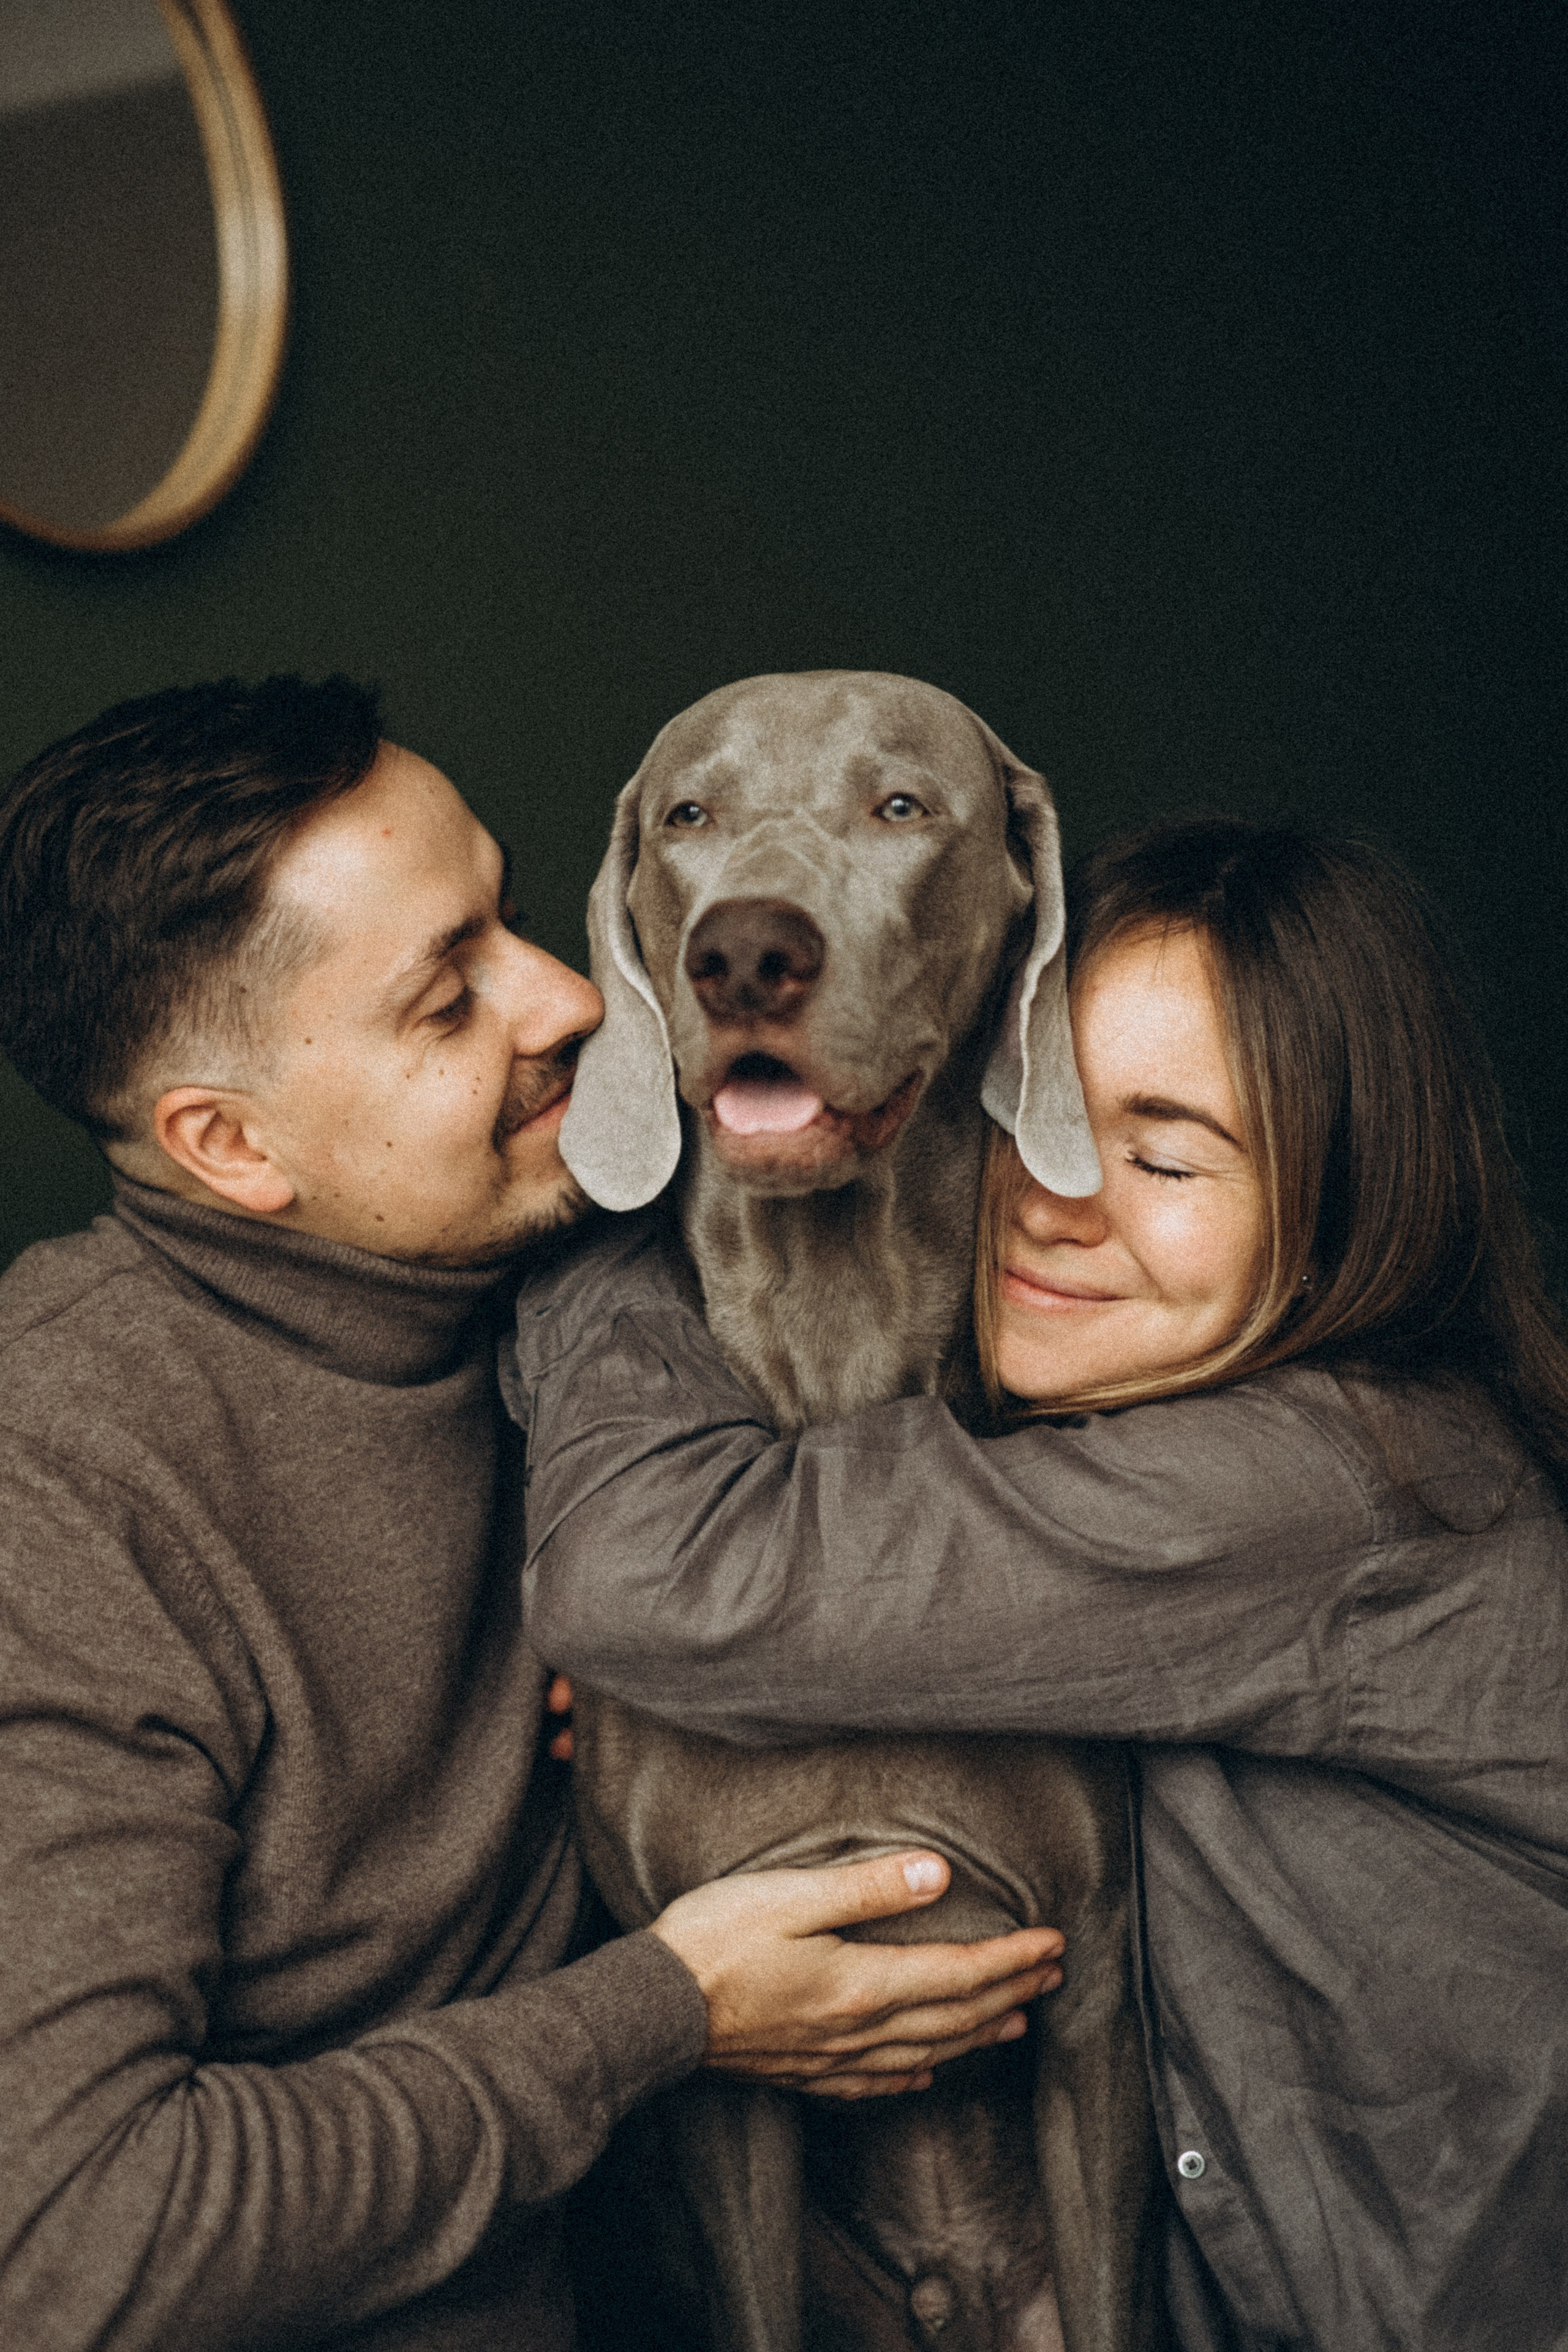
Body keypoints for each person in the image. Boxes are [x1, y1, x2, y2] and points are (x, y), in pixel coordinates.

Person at [0, 676, 1066, 2352]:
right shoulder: (58, 1480)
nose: (571, 998)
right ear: (228, 1145)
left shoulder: (609, 1265)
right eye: (448, 1001)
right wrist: (665, 2014)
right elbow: (68, 2249)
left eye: (509, 916)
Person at [510, 816, 1568, 2352]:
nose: (1056, 1198)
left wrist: (624, 1194)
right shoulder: (1136, 1434)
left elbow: (648, 1574)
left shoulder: (1334, 1480)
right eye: (1034, 1118)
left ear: (1346, 1199)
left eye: (1162, 1155)